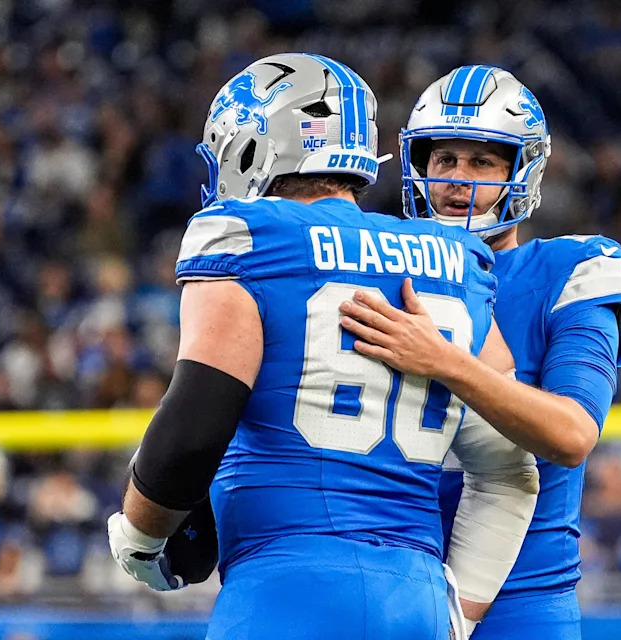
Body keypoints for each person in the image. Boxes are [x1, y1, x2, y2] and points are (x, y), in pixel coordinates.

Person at [106, 54, 538, 640]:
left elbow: (193, 428)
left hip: (285, 590)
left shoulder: (246, 236)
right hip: (418, 600)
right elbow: (510, 472)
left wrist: (139, 536)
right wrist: (457, 613)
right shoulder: (455, 259)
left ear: (252, 146)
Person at [338, 65, 621, 638]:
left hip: (523, 602)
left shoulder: (573, 269)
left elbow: (572, 434)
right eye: (444, 160)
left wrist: (446, 360)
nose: (458, 179)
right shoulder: (374, 264)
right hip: (385, 589)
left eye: (482, 161)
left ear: (522, 170)